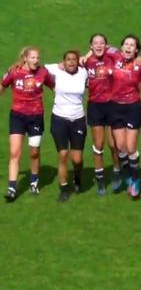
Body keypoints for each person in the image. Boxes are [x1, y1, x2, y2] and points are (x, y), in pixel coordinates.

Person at [1, 47, 55, 201]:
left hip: (36, 117)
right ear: (25, 58)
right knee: (14, 153)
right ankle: (12, 187)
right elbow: (2, 86)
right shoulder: (14, 72)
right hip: (17, 116)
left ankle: (34, 181)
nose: (36, 60)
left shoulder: (42, 73)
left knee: (34, 152)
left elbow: (55, 87)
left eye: (37, 57)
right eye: (32, 57)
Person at [109, 35, 141, 198]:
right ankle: (127, 174)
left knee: (131, 147)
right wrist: (85, 56)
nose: (128, 47)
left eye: (132, 45)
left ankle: (135, 180)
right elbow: (99, 47)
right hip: (115, 107)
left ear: (136, 50)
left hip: (133, 108)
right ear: (121, 47)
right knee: (120, 147)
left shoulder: (140, 65)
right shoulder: (113, 56)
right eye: (126, 44)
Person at [45, 51, 88, 202]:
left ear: (78, 61)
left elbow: (98, 58)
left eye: (74, 59)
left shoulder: (84, 72)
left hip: (78, 119)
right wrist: (57, 65)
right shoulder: (56, 70)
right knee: (63, 155)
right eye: (68, 60)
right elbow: (36, 67)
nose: (71, 62)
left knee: (77, 159)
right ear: (63, 62)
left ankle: (77, 178)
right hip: (59, 119)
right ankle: (64, 188)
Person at [83, 34, 120, 195]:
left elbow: (123, 52)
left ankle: (117, 172)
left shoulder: (113, 57)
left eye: (102, 43)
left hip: (112, 104)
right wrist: (86, 55)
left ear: (106, 45)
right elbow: (70, 64)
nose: (98, 46)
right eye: (95, 43)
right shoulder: (85, 62)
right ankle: (100, 179)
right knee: (98, 145)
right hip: (95, 106)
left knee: (114, 144)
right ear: (90, 46)